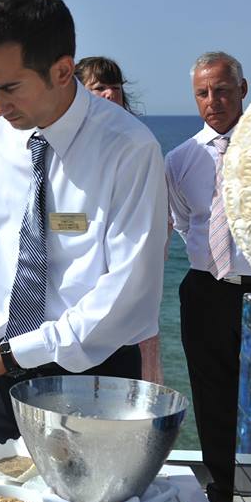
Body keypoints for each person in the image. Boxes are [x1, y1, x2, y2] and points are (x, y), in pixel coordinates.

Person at [0, 0, 168, 456]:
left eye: (9, 88)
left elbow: (129, 292)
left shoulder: (130, 147)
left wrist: (10, 355)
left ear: (63, 70)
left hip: (96, 376)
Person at [165, 51, 251, 502]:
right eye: (203, 93)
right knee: (214, 399)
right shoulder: (181, 159)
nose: (214, 101)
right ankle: (228, 499)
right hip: (207, 290)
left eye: (223, 90)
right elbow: (185, 220)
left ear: (243, 90)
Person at [75, 56, 163, 384]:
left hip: (133, 286)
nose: (110, 94)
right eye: (99, 87)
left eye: (115, 87)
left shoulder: (138, 146)